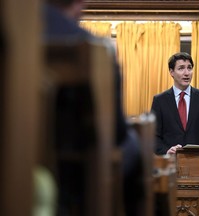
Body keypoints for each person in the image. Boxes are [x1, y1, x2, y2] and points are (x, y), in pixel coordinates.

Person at [42, 1, 144, 215]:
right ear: (80, 4)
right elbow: (116, 134)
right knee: (134, 146)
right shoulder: (94, 48)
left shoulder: (16, 26)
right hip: (67, 178)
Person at [150, 52, 199, 177]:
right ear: (171, 72)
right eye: (181, 68)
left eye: (189, 68)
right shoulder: (159, 101)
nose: (186, 73)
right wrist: (166, 151)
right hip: (169, 168)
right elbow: (154, 137)